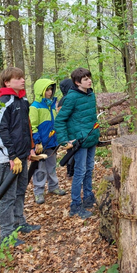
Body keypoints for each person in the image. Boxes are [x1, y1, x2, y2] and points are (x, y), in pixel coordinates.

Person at [0, 67, 41, 246]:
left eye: (23, 77)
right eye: (18, 78)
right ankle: (6, 236)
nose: (23, 80)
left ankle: (19, 223)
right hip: (9, 159)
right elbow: (0, 131)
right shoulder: (3, 102)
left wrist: (30, 149)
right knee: (7, 196)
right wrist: (12, 156)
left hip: (22, 156)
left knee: (21, 191)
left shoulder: (23, 101)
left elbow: (26, 127)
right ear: (7, 82)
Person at [54, 68, 100, 219]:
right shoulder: (71, 97)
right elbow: (60, 120)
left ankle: (88, 197)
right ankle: (75, 205)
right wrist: (64, 140)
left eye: (89, 77)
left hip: (90, 138)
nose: (89, 80)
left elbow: (90, 118)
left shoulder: (90, 94)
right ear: (77, 82)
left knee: (89, 168)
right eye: (85, 79)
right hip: (78, 141)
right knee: (79, 171)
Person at [29, 78, 66, 204]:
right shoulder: (35, 107)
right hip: (41, 145)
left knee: (51, 167)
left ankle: (53, 187)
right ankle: (38, 192)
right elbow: (32, 126)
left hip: (52, 143)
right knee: (40, 169)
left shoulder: (51, 106)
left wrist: (59, 139)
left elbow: (55, 124)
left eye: (51, 89)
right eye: (47, 90)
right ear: (41, 91)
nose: (50, 92)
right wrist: (37, 142)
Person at [57, 78, 77, 178]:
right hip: (70, 130)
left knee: (72, 152)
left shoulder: (67, 98)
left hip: (71, 130)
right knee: (72, 152)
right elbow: (62, 118)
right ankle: (70, 172)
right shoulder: (65, 100)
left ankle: (71, 171)